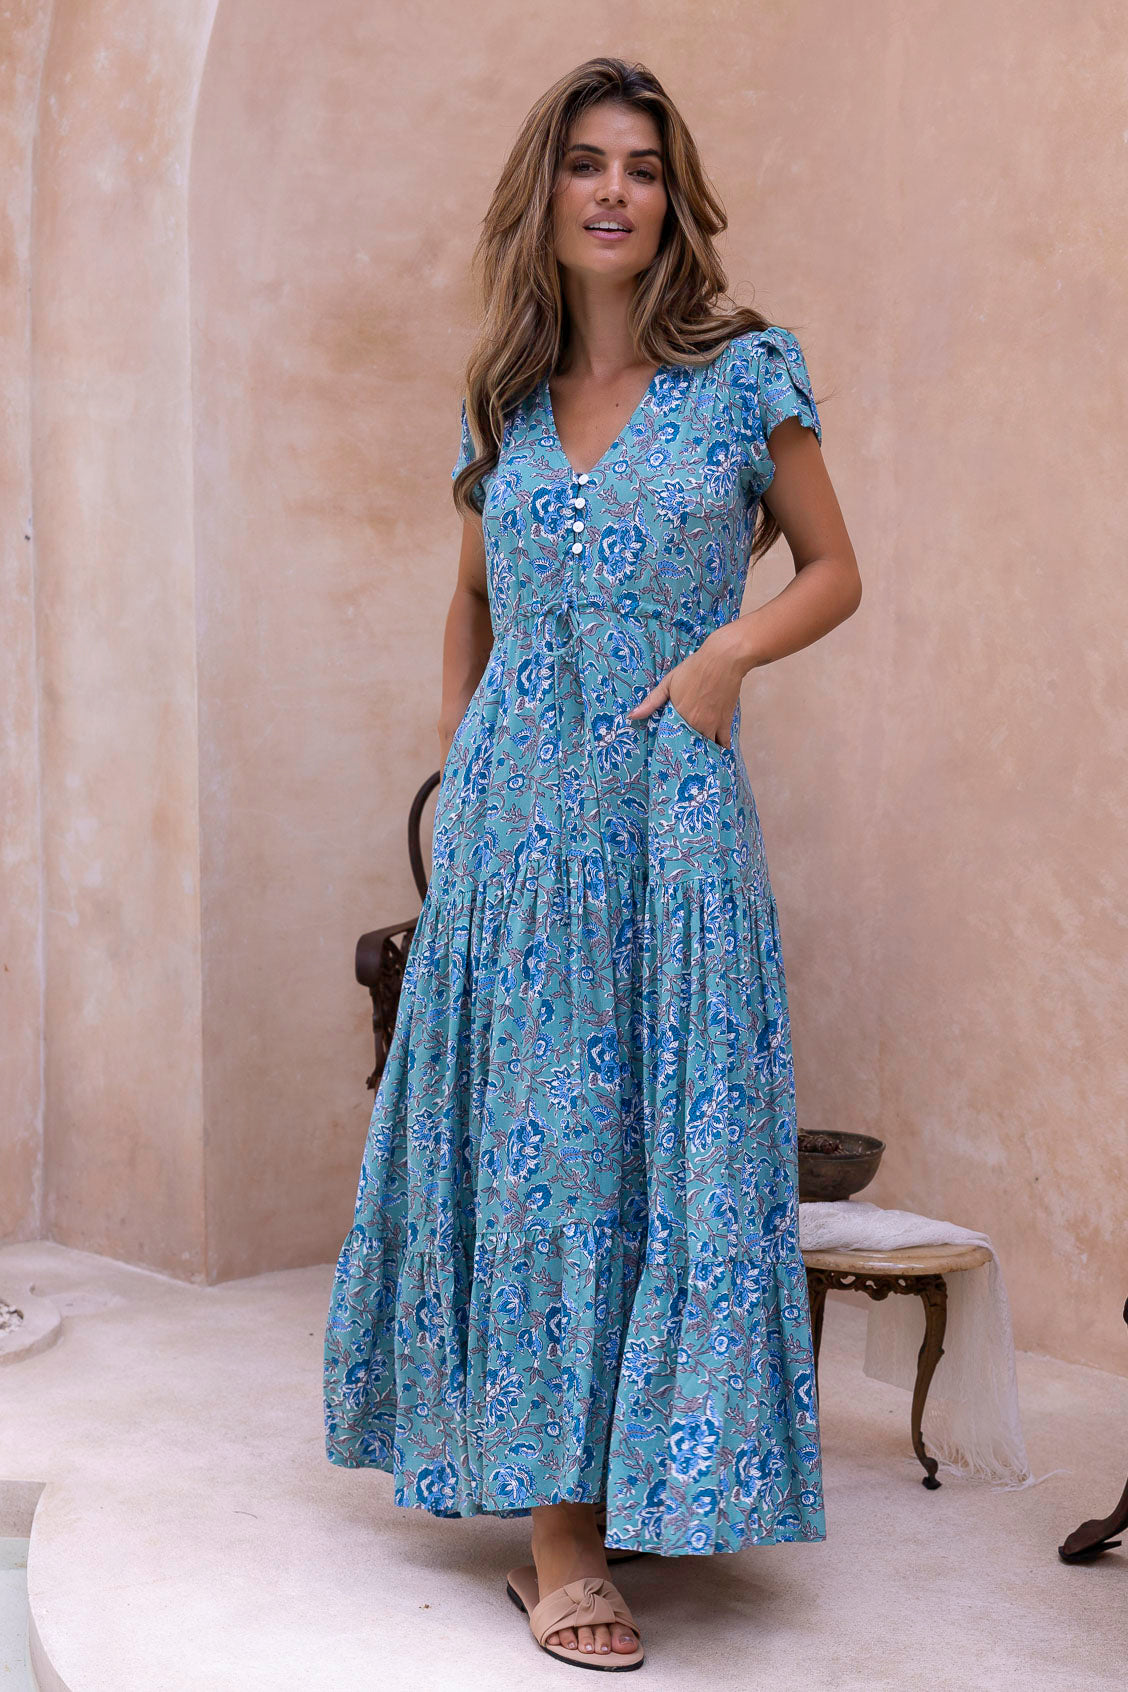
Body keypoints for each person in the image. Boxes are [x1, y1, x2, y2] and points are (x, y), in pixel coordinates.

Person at [324, 56, 861, 1671]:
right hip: (520, 835)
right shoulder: (505, 400)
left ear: (670, 196)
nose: (614, 190)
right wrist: (467, 761)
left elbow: (836, 567)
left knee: (659, 1145)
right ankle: (556, 1541)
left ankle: (643, 1478)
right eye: (585, 165)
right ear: (545, 197)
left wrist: (723, 662)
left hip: (675, 832)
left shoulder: (746, 375)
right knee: (544, 1157)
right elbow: (470, 598)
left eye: (640, 165)